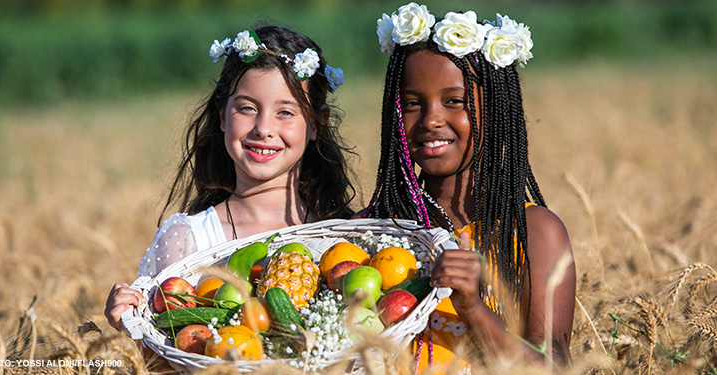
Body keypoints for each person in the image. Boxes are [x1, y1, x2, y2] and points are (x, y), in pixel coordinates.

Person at [363, 3, 576, 371]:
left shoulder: (534, 233)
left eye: (454, 102)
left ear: (494, 110)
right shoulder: (376, 227)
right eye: (413, 103)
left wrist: (473, 308)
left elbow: (554, 368)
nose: (431, 119)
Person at [104, 24, 355, 334]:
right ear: (223, 115)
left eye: (286, 112)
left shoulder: (345, 239)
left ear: (316, 123)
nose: (263, 128)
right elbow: (166, 360)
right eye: (247, 108)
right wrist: (133, 326)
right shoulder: (187, 241)